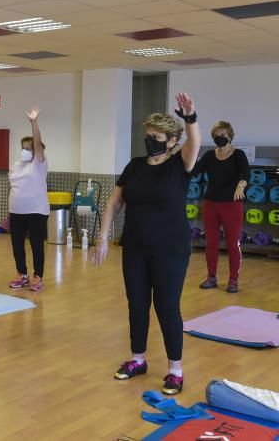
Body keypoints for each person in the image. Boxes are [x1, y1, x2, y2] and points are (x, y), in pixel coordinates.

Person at [92, 93, 200, 396]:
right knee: (137, 305)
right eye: (147, 136)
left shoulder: (180, 164)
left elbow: (194, 143)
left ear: (171, 141)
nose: (150, 140)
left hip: (171, 248)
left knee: (167, 307)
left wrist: (190, 118)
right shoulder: (136, 165)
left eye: (157, 137)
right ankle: (138, 359)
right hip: (135, 246)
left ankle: (175, 370)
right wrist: (102, 236)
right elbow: (115, 201)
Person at [193, 121, 249, 293]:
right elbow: (194, 171)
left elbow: (246, 173)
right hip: (210, 203)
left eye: (223, 135)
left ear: (230, 136)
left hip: (231, 205)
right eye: (216, 135)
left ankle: (233, 280)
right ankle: (211, 277)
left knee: (233, 243)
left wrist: (241, 185)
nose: (220, 138)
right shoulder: (209, 156)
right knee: (211, 243)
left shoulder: (238, 154)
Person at [8, 107, 49, 292]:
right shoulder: (16, 165)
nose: (25, 151)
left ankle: (38, 276)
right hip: (16, 210)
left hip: (36, 211)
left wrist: (34, 123)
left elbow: (38, 143)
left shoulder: (39, 163)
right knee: (17, 244)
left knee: (36, 244)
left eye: (29, 148)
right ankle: (21, 273)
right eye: (23, 148)